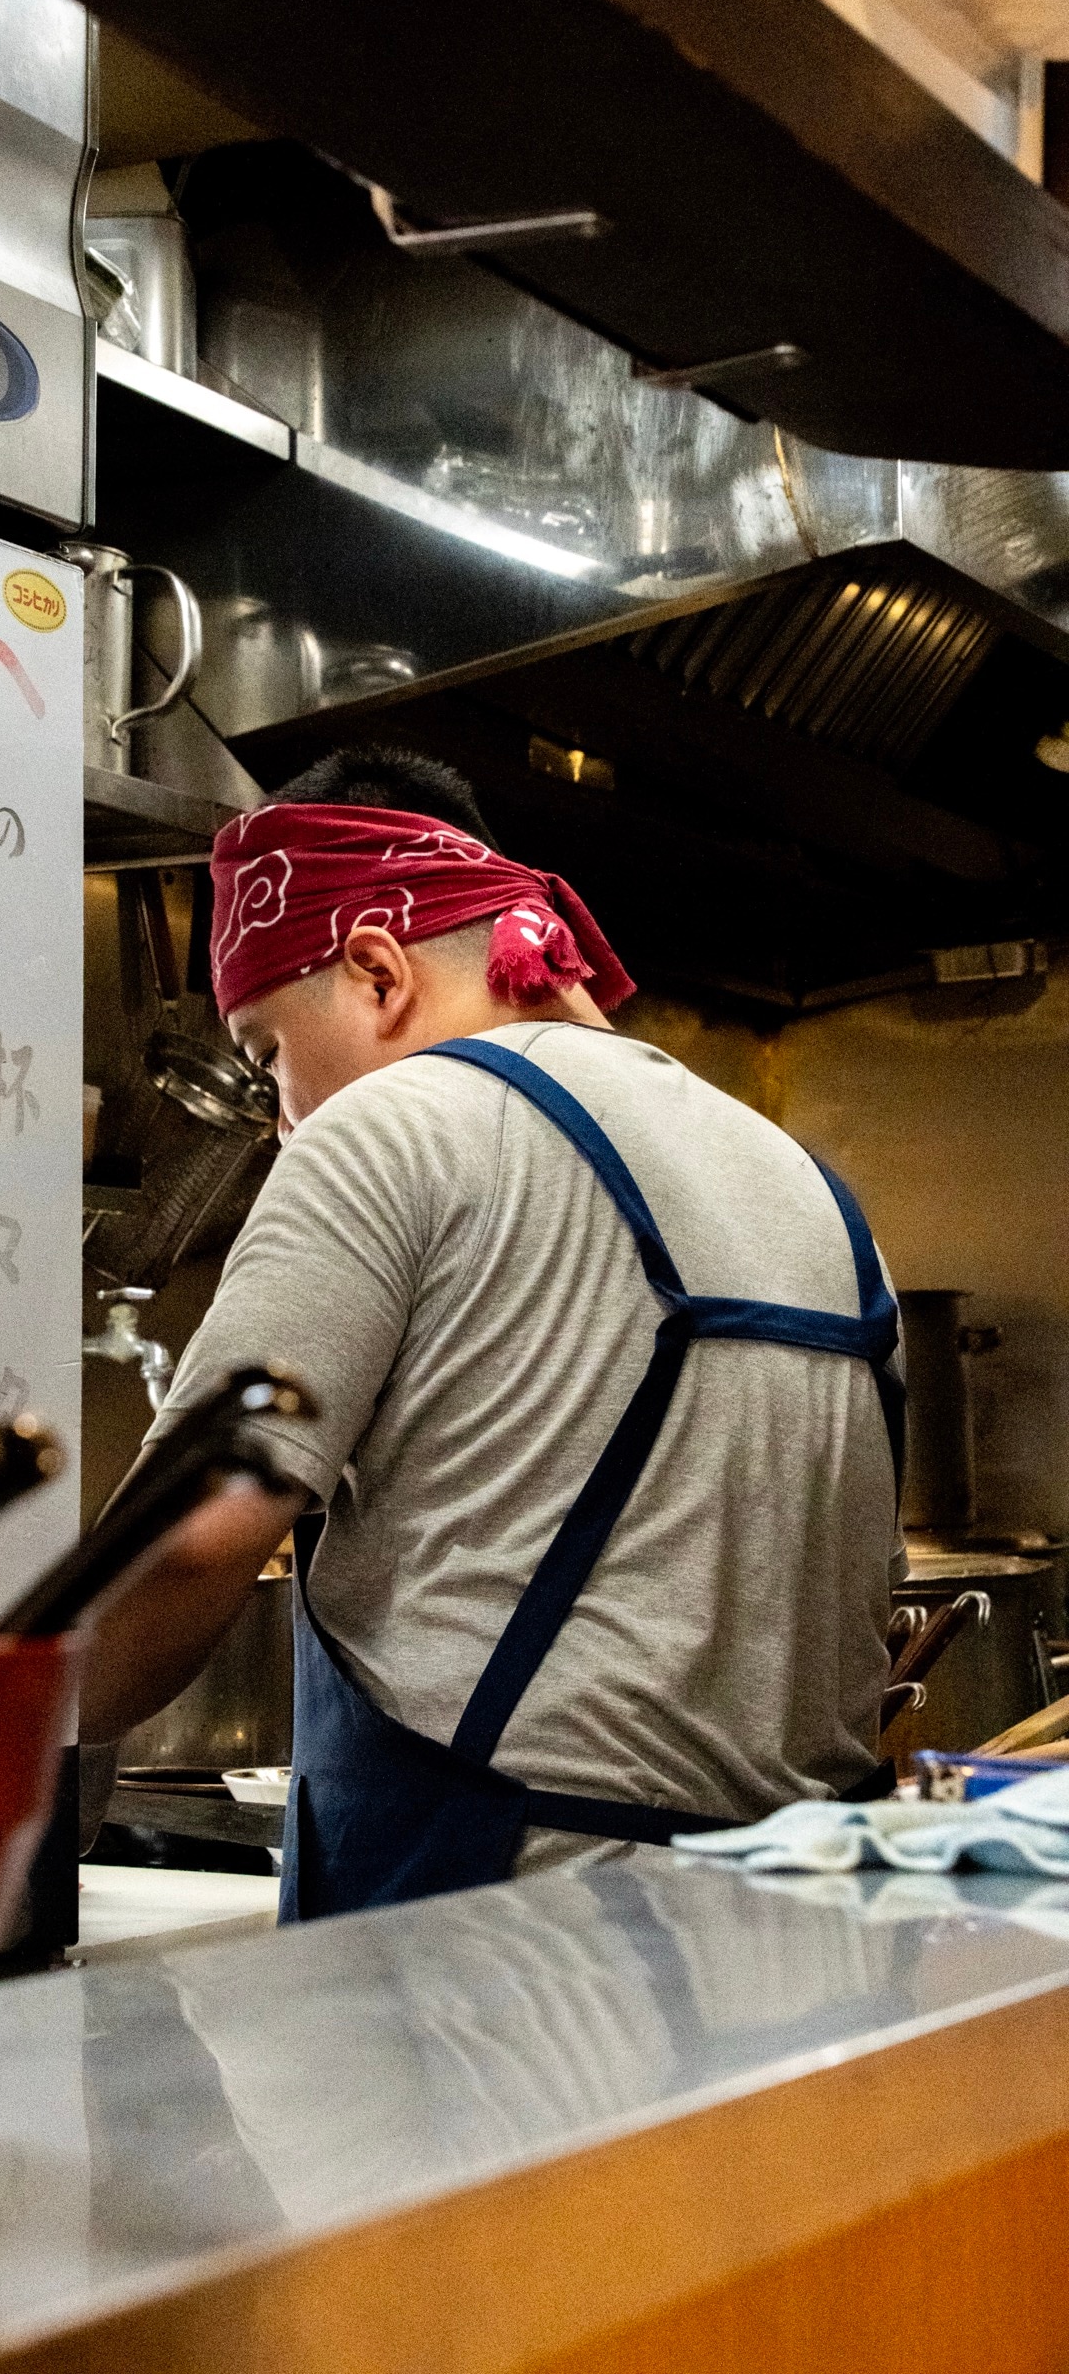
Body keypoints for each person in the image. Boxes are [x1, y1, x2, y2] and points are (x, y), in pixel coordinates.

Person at [81, 745, 903, 1922]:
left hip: (506, 1962)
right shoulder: (815, 1190)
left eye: (267, 1054)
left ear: (375, 972)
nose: (277, 1119)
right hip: (807, 1939)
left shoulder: (384, 1132)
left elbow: (185, 1547)